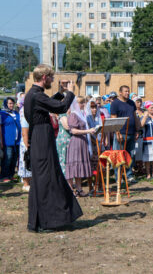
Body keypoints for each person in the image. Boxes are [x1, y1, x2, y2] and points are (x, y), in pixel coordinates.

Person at [24, 64, 82, 232]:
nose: (52, 80)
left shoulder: (34, 94)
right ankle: (46, 222)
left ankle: (38, 222)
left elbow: (50, 103)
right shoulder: (37, 96)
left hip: (39, 138)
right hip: (42, 139)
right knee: (46, 180)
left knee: (42, 180)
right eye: (51, 77)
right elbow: (62, 107)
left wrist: (61, 92)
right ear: (44, 78)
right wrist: (70, 92)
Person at [65, 97, 96, 197]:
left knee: (79, 166)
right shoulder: (73, 114)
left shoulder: (81, 114)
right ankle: (70, 189)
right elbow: (73, 130)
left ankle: (79, 189)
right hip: (76, 143)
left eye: (83, 102)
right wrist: (87, 131)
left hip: (82, 142)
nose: (82, 104)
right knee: (73, 166)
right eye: (80, 103)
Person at [110, 85, 141, 183]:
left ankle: (129, 175)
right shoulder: (115, 103)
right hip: (121, 134)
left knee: (129, 155)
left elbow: (135, 117)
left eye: (128, 91)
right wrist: (117, 133)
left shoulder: (131, 103)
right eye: (125, 91)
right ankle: (118, 177)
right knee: (118, 156)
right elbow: (113, 118)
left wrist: (137, 130)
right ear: (120, 92)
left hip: (131, 133)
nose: (127, 93)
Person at [0, 97, 21, 182]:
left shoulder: (16, 113)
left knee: (14, 159)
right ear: (6, 104)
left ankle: (11, 175)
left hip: (17, 141)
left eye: (12, 103)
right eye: (9, 103)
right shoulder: (2, 114)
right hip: (7, 140)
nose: (11, 105)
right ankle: (4, 176)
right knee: (7, 158)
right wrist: (1, 141)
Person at [86, 100, 102, 191]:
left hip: (98, 144)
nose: (94, 109)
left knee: (99, 166)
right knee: (90, 166)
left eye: (95, 107)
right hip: (90, 145)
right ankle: (90, 186)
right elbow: (87, 133)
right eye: (92, 108)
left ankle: (99, 185)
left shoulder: (98, 118)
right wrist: (94, 140)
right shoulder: (87, 118)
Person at [17, 101, 32, 192]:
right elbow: (24, 132)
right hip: (25, 141)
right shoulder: (24, 112)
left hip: (30, 139)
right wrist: (27, 145)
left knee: (30, 162)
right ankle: (25, 183)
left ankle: (30, 182)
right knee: (25, 161)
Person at [56, 109, 72, 176]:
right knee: (63, 160)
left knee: (69, 160)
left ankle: (70, 179)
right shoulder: (62, 115)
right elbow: (67, 126)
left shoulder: (69, 115)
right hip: (63, 140)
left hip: (69, 139)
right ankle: (64, 178)